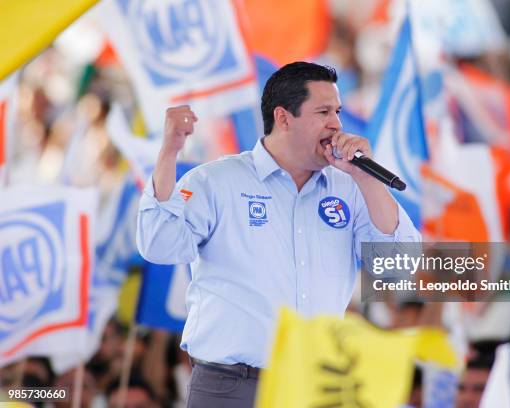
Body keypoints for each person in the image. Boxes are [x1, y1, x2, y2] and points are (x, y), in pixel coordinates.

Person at [136, 61, 420, 407]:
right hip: (231, 385)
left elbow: (398, 268)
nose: (337, 124)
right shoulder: (216, 181)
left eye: (338, 112)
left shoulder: (351, 188)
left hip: (315, 387)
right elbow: (159, 245)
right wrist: (168, 152)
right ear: (283, 118)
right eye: (323, 111)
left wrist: (366, 178)